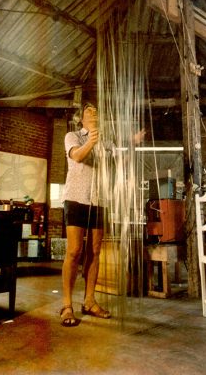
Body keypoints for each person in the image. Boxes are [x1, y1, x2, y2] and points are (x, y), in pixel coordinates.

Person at [60, 102, 145, 326]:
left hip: (100, 200)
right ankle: (67, 305)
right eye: (89, 111)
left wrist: (133, 145)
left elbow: (119, 164)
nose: (94, 113)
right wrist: (91, 141)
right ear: (81, 119)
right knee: (74, 251)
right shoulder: (73, 135)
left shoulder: (106, 143)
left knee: (95, 251)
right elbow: (77, 157)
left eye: (96, 112)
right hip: (76, 198)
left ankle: (89, 301)